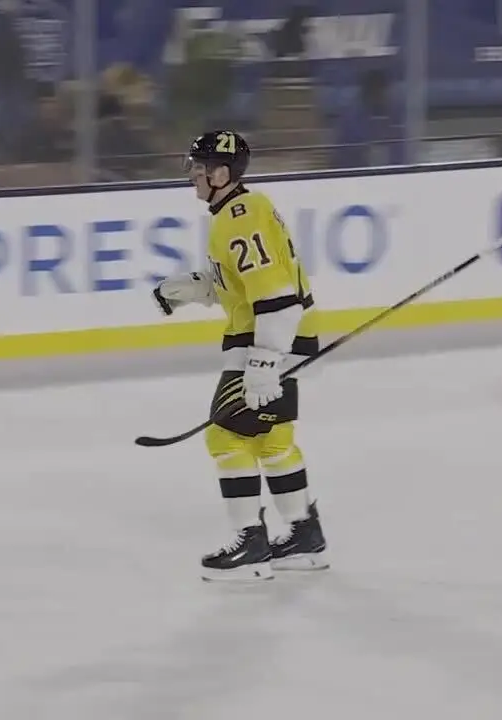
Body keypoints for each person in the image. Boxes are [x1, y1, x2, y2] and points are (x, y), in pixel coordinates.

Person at [153, 130, 328, 581]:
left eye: (198, 168)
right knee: (272, 440)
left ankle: (250, 545)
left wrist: (264, 362)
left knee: (226, 437)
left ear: (221, 174)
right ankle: (305, 536)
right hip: (283, 338)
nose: (192, 176)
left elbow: (277, 296)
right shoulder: (239, 211)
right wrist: (194, 289)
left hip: (265, 340)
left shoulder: (240, 216)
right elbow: (244, 284)